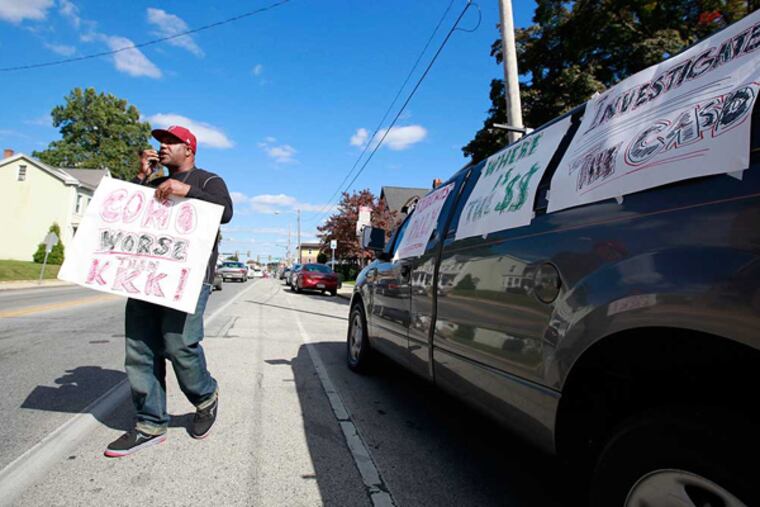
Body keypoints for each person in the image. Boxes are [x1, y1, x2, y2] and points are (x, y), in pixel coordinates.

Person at [105, 125, 233, 457]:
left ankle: (205, 396)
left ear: (189, 149)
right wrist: (141, 177)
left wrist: (186, 190)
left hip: (189, 279)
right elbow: (123, 218)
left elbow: (226, 211)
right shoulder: (152, 182)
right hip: (146, 277)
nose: (161, 147)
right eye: (159, 142)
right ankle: (150, 423)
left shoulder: (208, 180)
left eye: (170, 142)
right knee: (140, 349)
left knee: (179, 346)